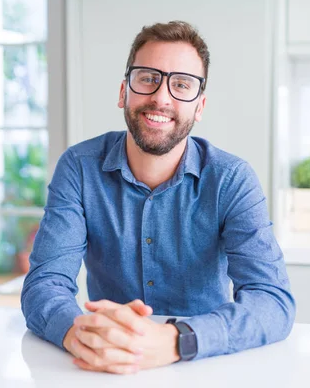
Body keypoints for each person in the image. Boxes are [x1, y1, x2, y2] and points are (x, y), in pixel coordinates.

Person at [21, 20, 295, 375]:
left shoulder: (232, 179)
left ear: (199, 106)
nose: (162, 97)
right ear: (124, 92)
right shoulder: (79, 167)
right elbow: (45, 283)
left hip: (205, 367)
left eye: (181, 84)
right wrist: (80, 334)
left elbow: (272, 302)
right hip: (105, 365)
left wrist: (173, 340)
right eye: (148, 78)